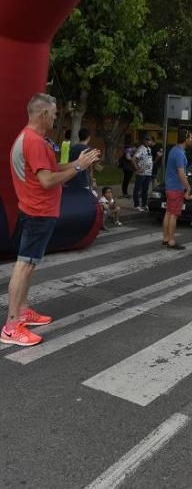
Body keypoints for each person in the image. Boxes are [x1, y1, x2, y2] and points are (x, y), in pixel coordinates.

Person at [1, 93, 99, 346]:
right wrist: (78, 168)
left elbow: (51, 168)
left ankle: (22, 310)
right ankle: (11, 326)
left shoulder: (34, 140)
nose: (56, 118)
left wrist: (78, 162)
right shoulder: (33, 141)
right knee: (24, 265)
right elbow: (46, 180)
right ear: (44, 113)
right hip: (37, 212)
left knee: (29, 264)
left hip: (37, 212)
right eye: (55, 114)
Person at [163, 127, 192, 249]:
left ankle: (165, 238)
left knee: (168, 212)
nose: (191, 139)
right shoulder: (179, 153)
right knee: (173, 214)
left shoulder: (174, 150)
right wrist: (188, 188)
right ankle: (171, 241)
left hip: (169, 186)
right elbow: (181, 173)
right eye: (190, 137)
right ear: (185, 139)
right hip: (176, 187)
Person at [132, 135, 153, 211]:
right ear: (144, 141)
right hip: (142, 173)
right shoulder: (141, 148)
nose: (148, 141)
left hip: (148, 172)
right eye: (146, 140)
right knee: (138, 189)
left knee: (145, 189)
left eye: (149, 140)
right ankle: (136, 205)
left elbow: (149, 160)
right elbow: (134, 159)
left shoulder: (149, 149)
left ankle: (144, 204)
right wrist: (137, 168)